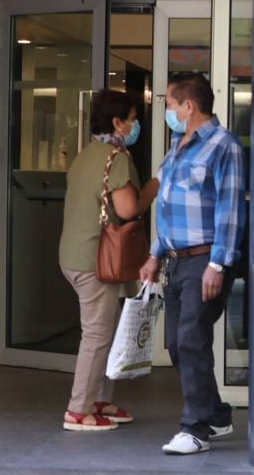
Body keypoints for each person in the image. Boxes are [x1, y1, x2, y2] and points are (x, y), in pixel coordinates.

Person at [140, 73, 246, 455]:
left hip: (205, 259)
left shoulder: (223, 146)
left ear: (189, 106)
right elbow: (168, 208)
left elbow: (229, 210)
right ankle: (216, 414)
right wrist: (155, 253)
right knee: (177, 343)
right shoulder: (176, 146)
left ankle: (195, 428)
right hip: (175, 260)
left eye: (169, 104)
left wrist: (218, 265)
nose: (167, 111)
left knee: (192, 339)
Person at [58, 90, 158, 431]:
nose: (134, 125)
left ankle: (97, 400)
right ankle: (79, 410)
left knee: (103, 331)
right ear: (117, 122)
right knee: (98, 334)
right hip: (94, 260)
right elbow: (129, 208)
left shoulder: (86, 154)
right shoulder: (116, 157)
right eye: (131, 118)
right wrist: (154, 187)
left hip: (74, 255)